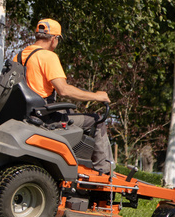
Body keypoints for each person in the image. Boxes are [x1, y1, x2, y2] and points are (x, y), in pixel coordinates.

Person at [13, 19, 114, 175]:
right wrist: (97, 96)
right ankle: (105, 172)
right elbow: (64, 90)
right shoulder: (48, 57)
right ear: (54, 38)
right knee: (96, 120)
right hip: (43, 118)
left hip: (25, 114)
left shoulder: (20, 56)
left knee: (69, 111)